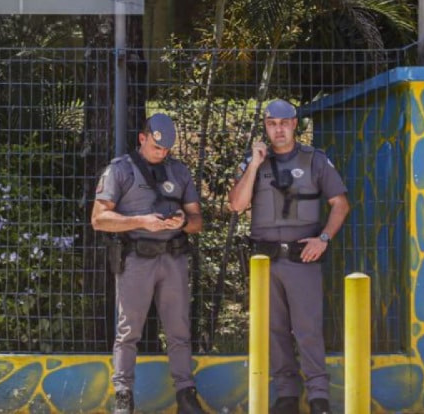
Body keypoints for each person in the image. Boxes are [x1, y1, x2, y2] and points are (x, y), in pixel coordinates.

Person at [227, 99, 350, 414]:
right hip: (265, 260)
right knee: (274, 328)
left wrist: (323, 239)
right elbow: (236, 205)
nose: (278, 129)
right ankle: (286, 394)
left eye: (284, 123)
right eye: (271, 123)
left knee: (308, 328)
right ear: (266, 126)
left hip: (302, 259)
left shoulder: (315, 160)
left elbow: (340, 203)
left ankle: (318, 395)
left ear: (295, 123)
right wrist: (253, 165)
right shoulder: (254, 163)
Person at [91, 113, 207, 414]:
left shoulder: (179, 172)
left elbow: (197, 221)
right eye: (157, 148)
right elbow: (98, 218)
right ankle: (123, 396)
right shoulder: (120, 171)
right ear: (143, 138)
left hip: (174, 258)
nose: (163, 153)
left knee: (179, 330)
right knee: (128, 332)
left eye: (167, 149)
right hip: (136, 260)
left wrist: (183, 222)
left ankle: (186, 395)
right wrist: (140, 221)